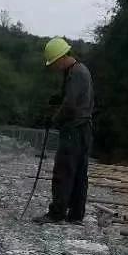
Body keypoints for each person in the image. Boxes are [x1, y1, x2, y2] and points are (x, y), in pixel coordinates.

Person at [33, 37, 93, 225]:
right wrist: (56, 98)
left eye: (53, 64)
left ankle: (57, 213)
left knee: (64, 171)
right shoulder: (76, 71)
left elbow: (70, 105)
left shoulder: (76, 73)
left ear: (60, 58)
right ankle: (76, 214)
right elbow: (68, 97)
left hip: (74, 128)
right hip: (84, 128)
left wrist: (54, 119)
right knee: (79, 173)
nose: (53, 68)